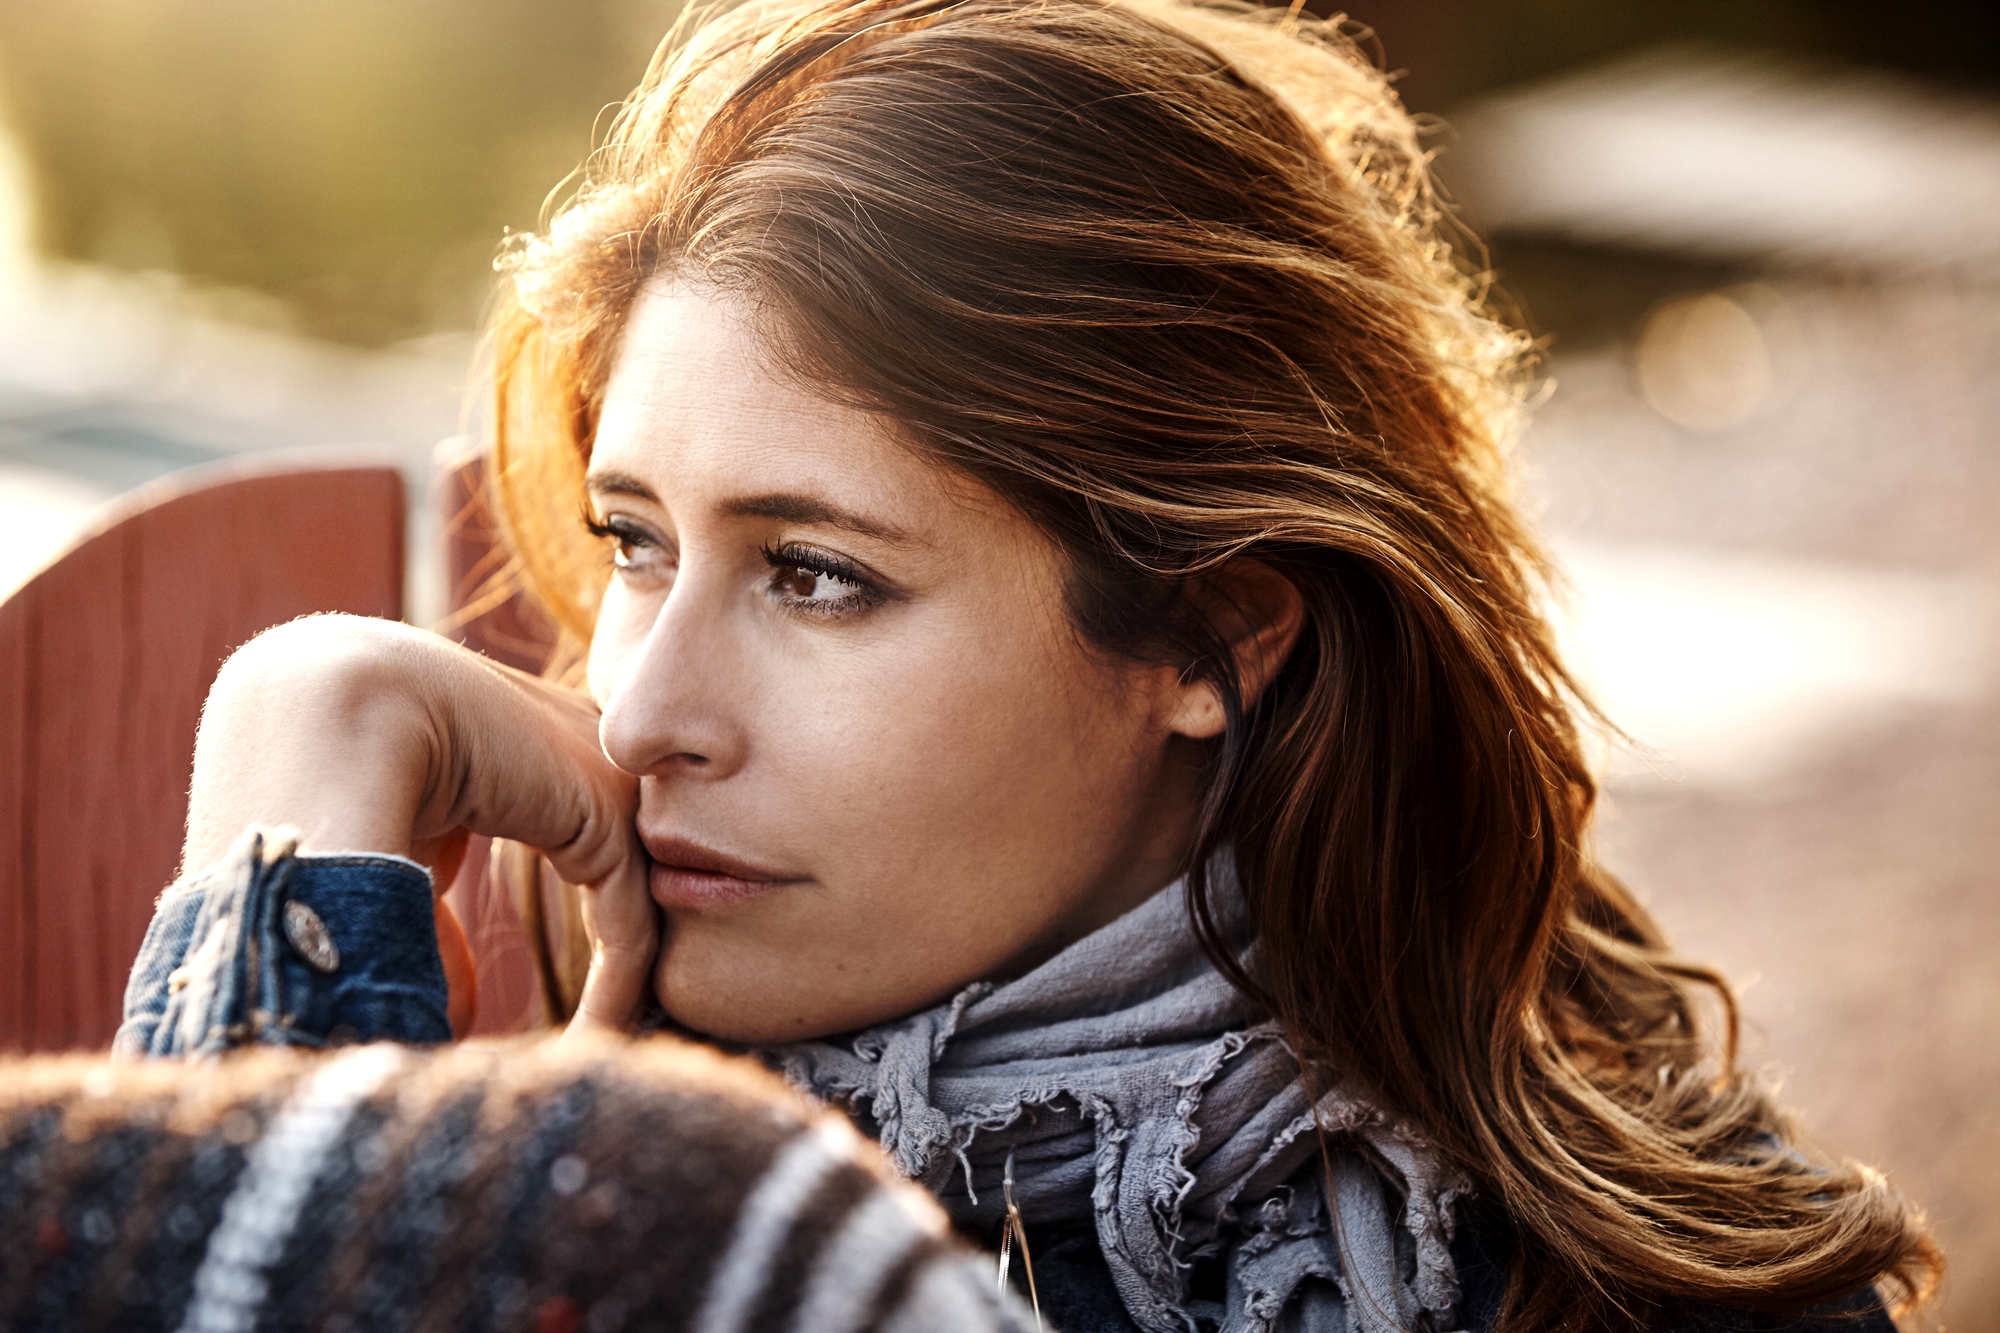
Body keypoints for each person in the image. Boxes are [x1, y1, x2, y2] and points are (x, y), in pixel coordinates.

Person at [109, 0, 1940, 1329]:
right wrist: (299, 826)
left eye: (817, 576)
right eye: (633, 543)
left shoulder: (1645, 1290)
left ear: (1211, 635)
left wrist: (274, 1023)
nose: (643, 709)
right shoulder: (531, 1170)